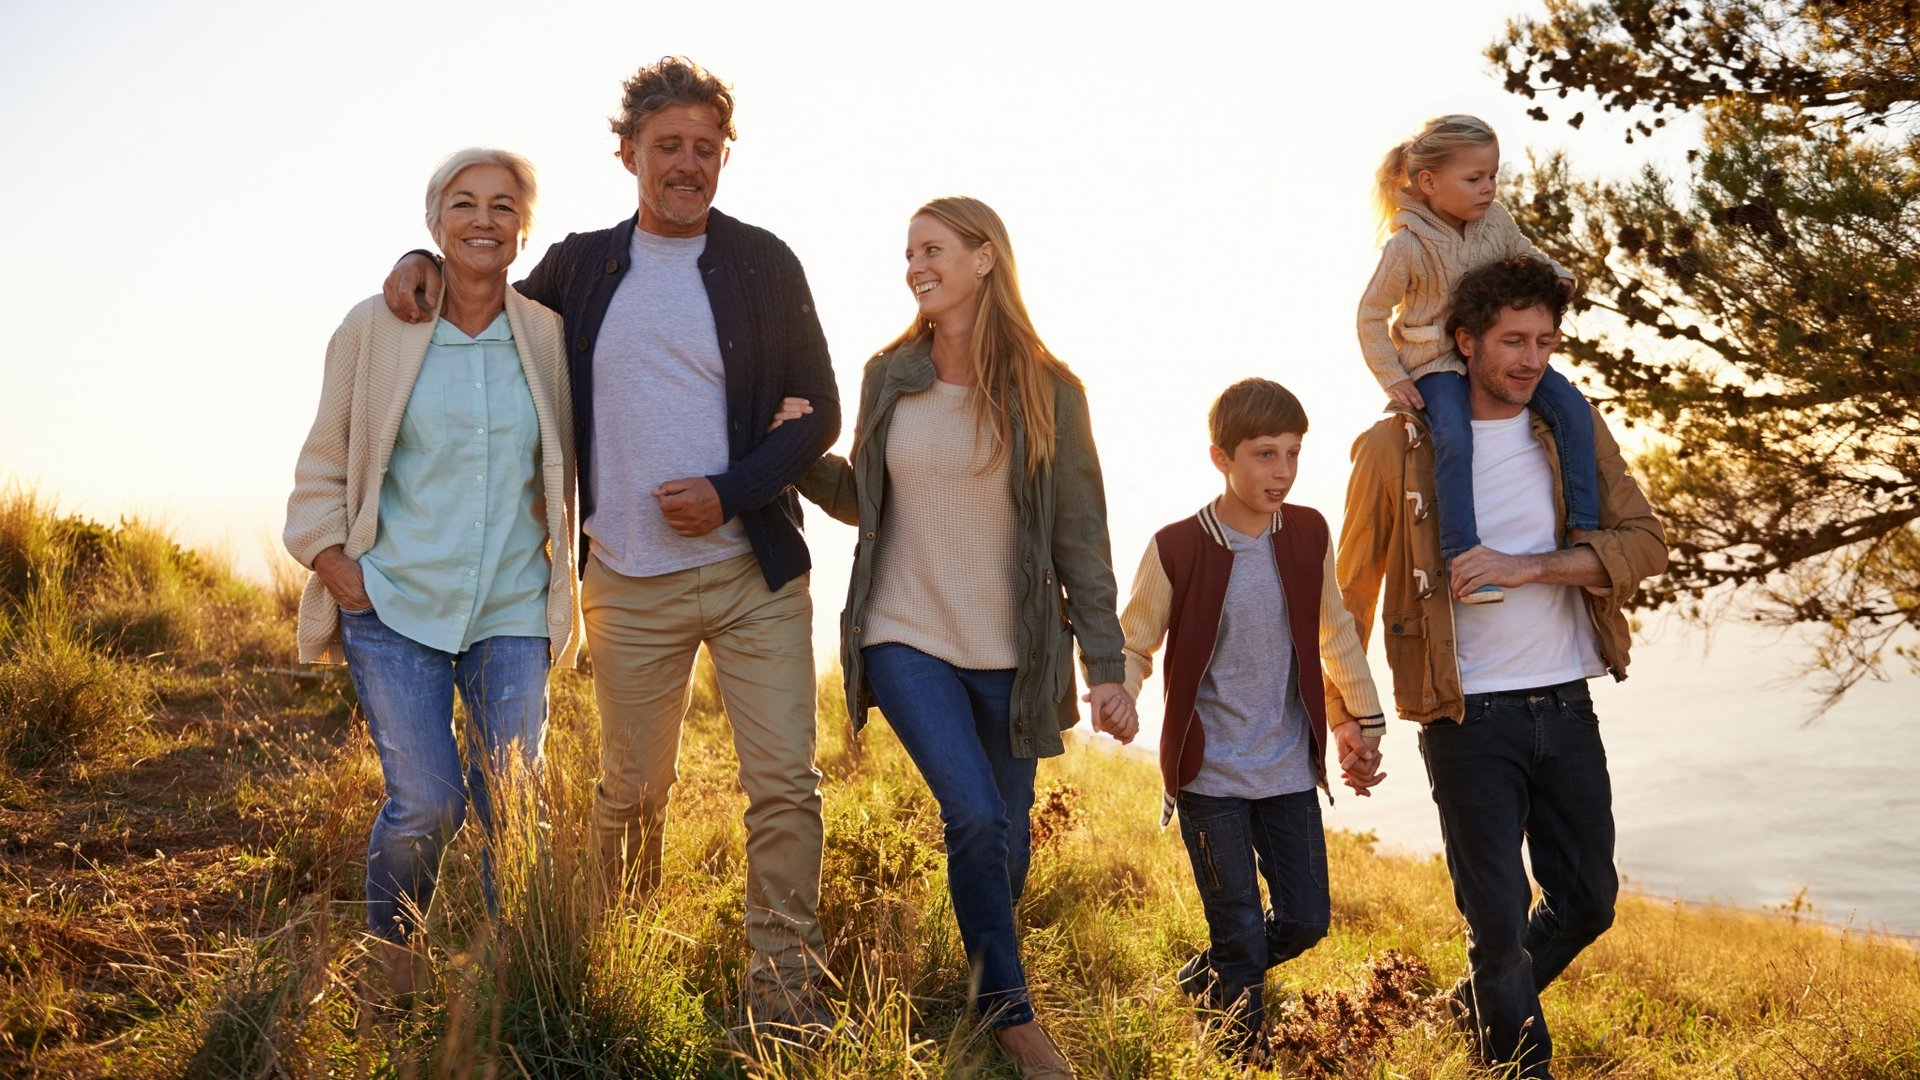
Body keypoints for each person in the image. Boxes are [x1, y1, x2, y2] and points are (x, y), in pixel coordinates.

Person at [380, 57, 841, 1028]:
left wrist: (730, 490)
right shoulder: (582, 266)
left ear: (724, 156)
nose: (687, 164)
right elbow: (484, 304)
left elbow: (820, 415)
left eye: (704, 149)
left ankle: (784, 995)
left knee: (785, 792)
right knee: (631, 792)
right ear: (628, 151)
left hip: (751, 575)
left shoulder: (765, 261)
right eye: (667, 146)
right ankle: (618, 966)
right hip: (627, 581)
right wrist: (421, 267)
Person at [795, 196, 1135, 1079]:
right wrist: (792, 452)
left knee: (1007, 843)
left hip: (1014, 658)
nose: (915, 264)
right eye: (909, 251)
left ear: (985, 259)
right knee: (975, 815)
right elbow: (864, 498)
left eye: (932, 248)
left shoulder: (1051, 390)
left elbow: (1080, 537)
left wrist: (1107, 669)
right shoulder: (889, 374)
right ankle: (1014, 1020)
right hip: (904, 634)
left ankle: (982, 981)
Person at [1338, 255, 1668, 1077]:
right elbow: (1346, 596)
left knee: (1589, 901)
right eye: (1512, 340)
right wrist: (1347, 716)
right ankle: (1519, 1064)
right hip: (1465, 716)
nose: (1530, 359)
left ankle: (1471, 1006)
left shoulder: (1570, 432)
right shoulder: (1395, 448)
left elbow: (1646, 545)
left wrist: (1529, 566)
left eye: (1545, 342)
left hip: (1564, 704)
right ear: (1464, 341)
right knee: (1496, 920)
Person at [284, 148, 578, 999]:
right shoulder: (373, 329)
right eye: (463, 203)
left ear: (525, 228)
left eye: (502, 205)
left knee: (512, 806)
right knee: (429, 805)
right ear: (432, 222)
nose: (482, 220)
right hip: (395, 602)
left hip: (512, 606)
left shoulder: (549, 336)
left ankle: (513, 985)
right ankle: (394, 968)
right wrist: (336, 564)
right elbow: (325, 459)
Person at [1114, 377, 1387, 1056]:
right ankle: (1241, 1052)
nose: (1284, 471)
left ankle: (1208, 979)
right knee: (1237, 924)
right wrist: (1120, 692)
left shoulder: (1307, 532)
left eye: (1293, 453)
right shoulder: (1177, 547)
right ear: (1221, 458)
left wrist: (1365, 721)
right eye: (1266, 454)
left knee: (1306, 920)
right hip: (1211, 775)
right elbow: (1135, 642)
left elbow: (1336, 633)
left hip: (1288, 767)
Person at [1356, 114, 1598, 604]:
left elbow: (1526, 253)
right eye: (1474, 179)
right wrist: (1392, 377)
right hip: (1436, 361)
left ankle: (1585, 529)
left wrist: (1557, 275)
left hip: (1492, 353)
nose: (1488, 188)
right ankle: (1464, 554)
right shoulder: (1405, 246)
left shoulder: (1495, 220)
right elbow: (1370, 316)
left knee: (1573, 411)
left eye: (1493, 176)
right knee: (1452, 435)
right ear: (1428, 182)